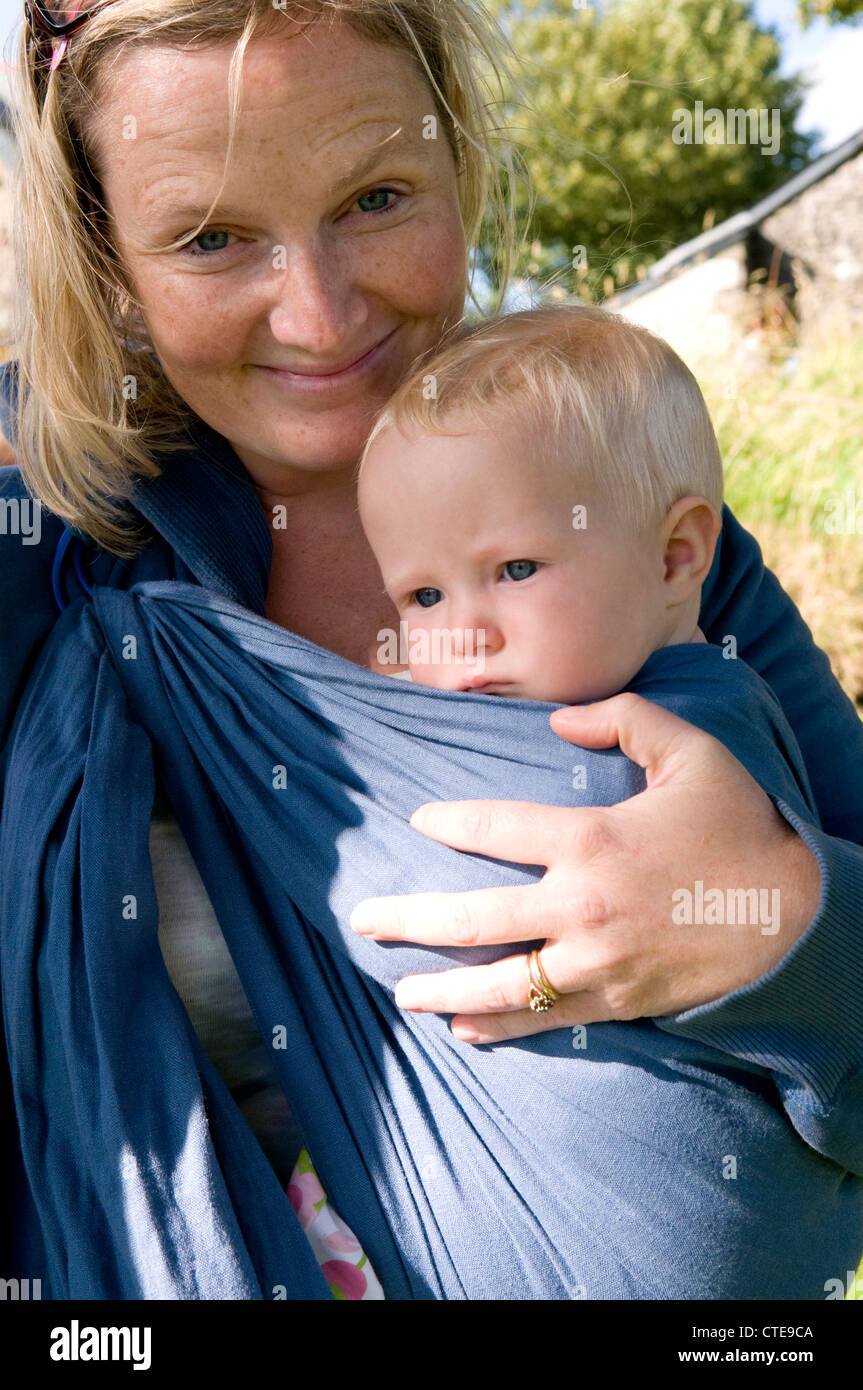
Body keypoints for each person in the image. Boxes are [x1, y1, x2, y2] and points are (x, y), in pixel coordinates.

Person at [1, 0, 862, 1301]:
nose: (320, 311)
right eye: (213, 236)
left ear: (458, 157)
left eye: (377, 197)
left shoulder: (608, 504)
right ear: (107, 254)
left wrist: (780, 924)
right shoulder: (47, 551)